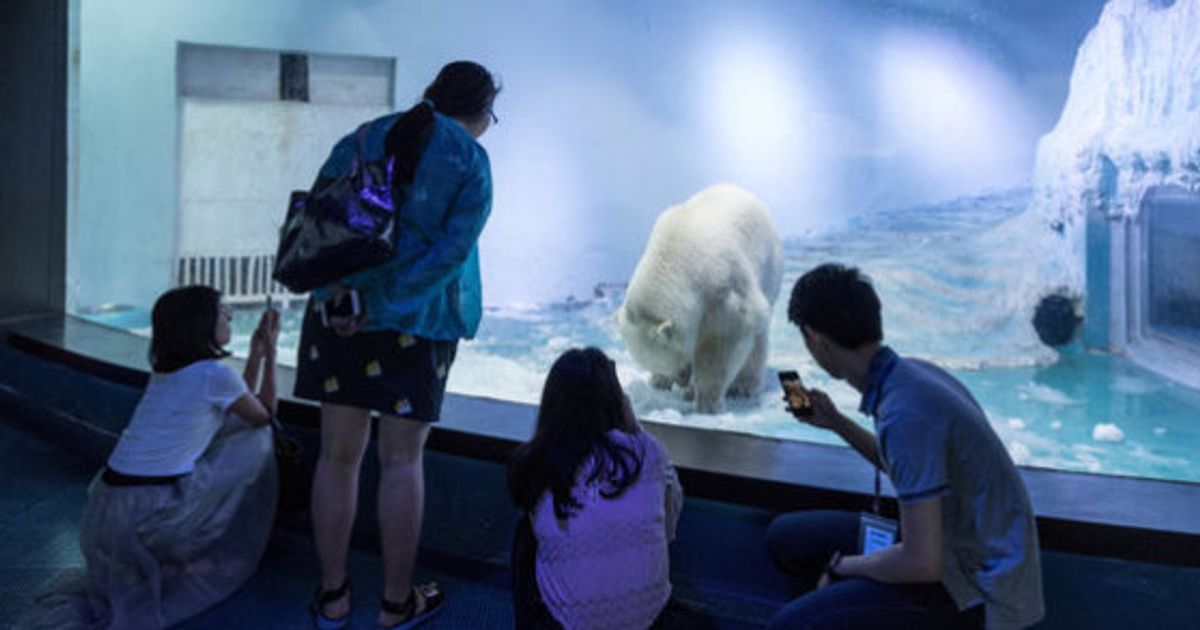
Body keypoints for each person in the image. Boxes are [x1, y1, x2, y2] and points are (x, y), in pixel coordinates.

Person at [293, 60, 500, 629]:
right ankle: (394, 603)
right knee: (402, 461)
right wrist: (387, 305)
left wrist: (349, 299)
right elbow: (449, 256)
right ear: (482, 112)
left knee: (337, 459)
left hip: (338, 318)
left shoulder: (362, 137)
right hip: (419, 328)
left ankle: (333, 597)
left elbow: (319, 223)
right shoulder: (471, 161)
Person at [765, 263, 1043, 629]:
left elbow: (920, 563)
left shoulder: (904, 412)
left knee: (788, 625)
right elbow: (907, 466)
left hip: (978, 588)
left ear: (814, 338)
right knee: (787, 537)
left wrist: (841, 567)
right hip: (954, 549)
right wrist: (835, 421)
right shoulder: (911, 375)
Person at [22, 285, 280, 629]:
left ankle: (164, 561)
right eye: (224, 311)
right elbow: (263, 415)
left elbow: (236, 402)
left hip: (108, 506)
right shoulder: (215, 375)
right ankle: (183, 553)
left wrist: (255, 355)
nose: (230, 315)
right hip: (151, 510)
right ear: (202, 323)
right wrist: (271, 352)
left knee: (233, 429)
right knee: (258, 437)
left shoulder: (167, 372)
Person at [507, 347, 685, 630]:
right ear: (619, 401)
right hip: (649, 622)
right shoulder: (649, 451)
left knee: (525, 532)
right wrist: (634, 427)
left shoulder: (537, 462)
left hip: (568, 624)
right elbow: (669, 531)